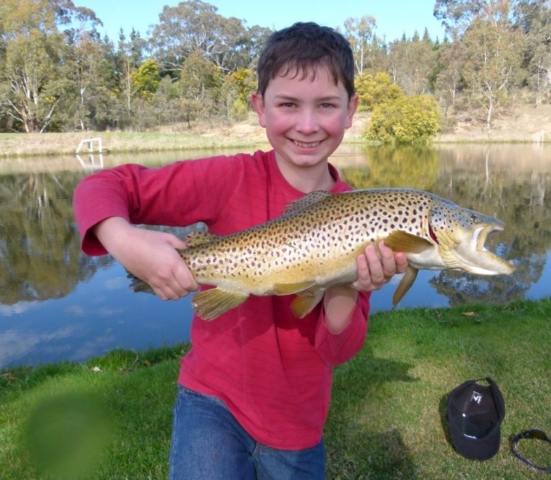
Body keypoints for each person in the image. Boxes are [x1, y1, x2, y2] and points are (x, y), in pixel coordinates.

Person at [73, 22, 407, 479]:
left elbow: (338, 350)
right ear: (260, 108)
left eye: (326, 105)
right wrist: (125, 239)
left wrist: (347, 283)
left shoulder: (366, 215)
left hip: (298, 428)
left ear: (351, 110)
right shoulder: (228, 179)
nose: (306, 125)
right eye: (288, 104)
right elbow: (104, 185)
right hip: (210, 403)